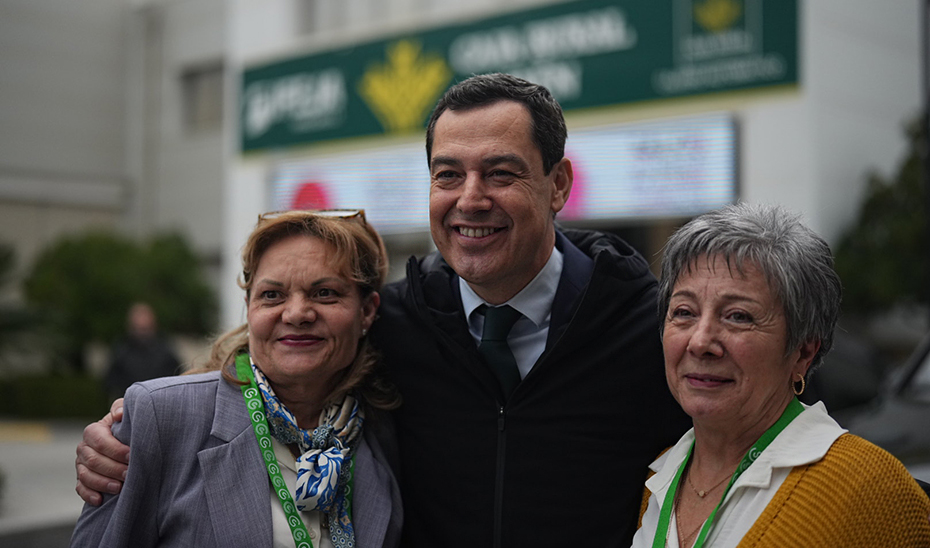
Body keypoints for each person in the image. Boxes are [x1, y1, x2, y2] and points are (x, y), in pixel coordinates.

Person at [75, 73, 690, 547]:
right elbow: (272, 358)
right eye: (448, 175)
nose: (470, 200)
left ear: (558, 184)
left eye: (500, 173)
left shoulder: (652, 331)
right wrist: (136, 428)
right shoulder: (396, 322)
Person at [70, 210, 403, 547]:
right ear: (249, 307)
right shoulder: (160, 417)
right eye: (272, 295)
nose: (297, 313)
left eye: (325, 293)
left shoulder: (386, 429)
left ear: (367, 311)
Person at [632, 202, 930, 548]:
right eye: (684, 312)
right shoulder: (660, 476)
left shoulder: (870, 488)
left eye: (738, 316)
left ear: (804, 351)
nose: (700, 342)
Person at [104, 302, 181, 400]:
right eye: (138, 328)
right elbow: (109, 382)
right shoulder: (121, 350)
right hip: (128, 404)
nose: (142, 333)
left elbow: (176, 377)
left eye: (145, 328)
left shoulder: (166, 350)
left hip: (159, 403)